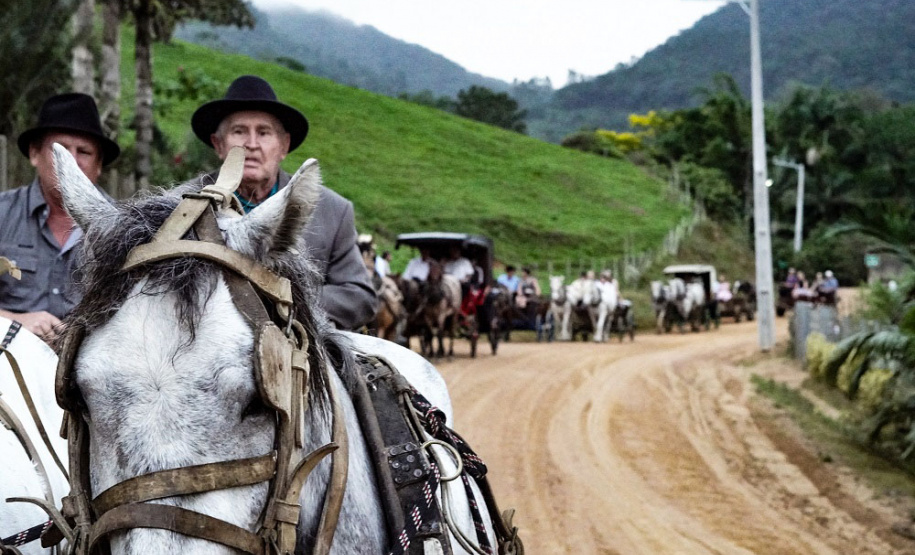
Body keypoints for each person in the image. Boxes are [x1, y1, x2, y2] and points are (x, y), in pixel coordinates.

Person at [190, 75, 376, 330]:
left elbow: (359, 297)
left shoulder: (333, 211)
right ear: (218, 144)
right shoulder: (184, 205)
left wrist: (283, 300)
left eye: (264, 133)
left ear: (283, 145)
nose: (251, 144)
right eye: (239, 131)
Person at [0, 93, 120, 340]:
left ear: (98, 166)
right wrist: (16, 321)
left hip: (85, 369)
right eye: (61, 150)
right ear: (34, 154)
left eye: (84, 152)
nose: (71, 162)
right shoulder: (3, 213)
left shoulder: (120, 229)